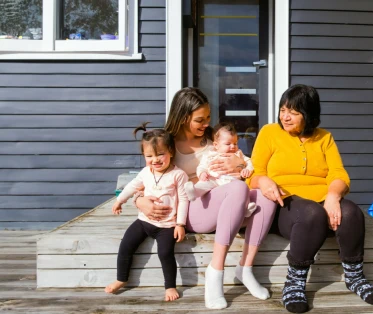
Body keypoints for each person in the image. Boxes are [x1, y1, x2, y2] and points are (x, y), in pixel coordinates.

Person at [134, 87, 277, 309]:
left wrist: (238, 165)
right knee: (238, 189)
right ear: (182, 117)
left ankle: (245, 269)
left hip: (228, 202)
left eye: (208, 117)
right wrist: (139, 200)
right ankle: (215, 272)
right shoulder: (166, 141)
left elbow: (245, 164)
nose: (206, 123)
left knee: (265, 197)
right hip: (192, 208)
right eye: (199, 119)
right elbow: (147, 176)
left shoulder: (215, 137)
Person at [248, 84, 373, 313]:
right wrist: (263, 181)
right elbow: (254, 172)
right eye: (283, 110)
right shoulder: (269, 132)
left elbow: (339, 174)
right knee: (311, 213)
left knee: (351, 212)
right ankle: (295, 281)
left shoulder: (324, 138)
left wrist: (333, 195)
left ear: (309, 114)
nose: (286, 116)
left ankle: (354, 277)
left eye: (293, 112)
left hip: (322, 198)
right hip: (285, 203)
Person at [104, 123, 188, 302]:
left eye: (160, 154)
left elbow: (184, 200)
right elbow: (132, 186)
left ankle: (170, 286)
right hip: (144, 221)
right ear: (144, 156)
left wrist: (180, 224)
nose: (155, 160)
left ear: (171, 152)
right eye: (149, 156)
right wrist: (120, 200)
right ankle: (121, 278)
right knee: (126, 246)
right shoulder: (145, 172)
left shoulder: (178, 175)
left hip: (166, 225)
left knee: (165, 253)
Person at [184, 122, 257, 217]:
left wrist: (247, 169)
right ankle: (195, 191)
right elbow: (202, 166)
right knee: (204, 183)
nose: (233, 146)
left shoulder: (239, 154)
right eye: (228, 144)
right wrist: (202, 173)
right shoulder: (210, 155)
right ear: (216, 145)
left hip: (232, 180)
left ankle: (245, 208)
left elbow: (249, 162)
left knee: (242, 188)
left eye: (235, 143)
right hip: (214, 180)